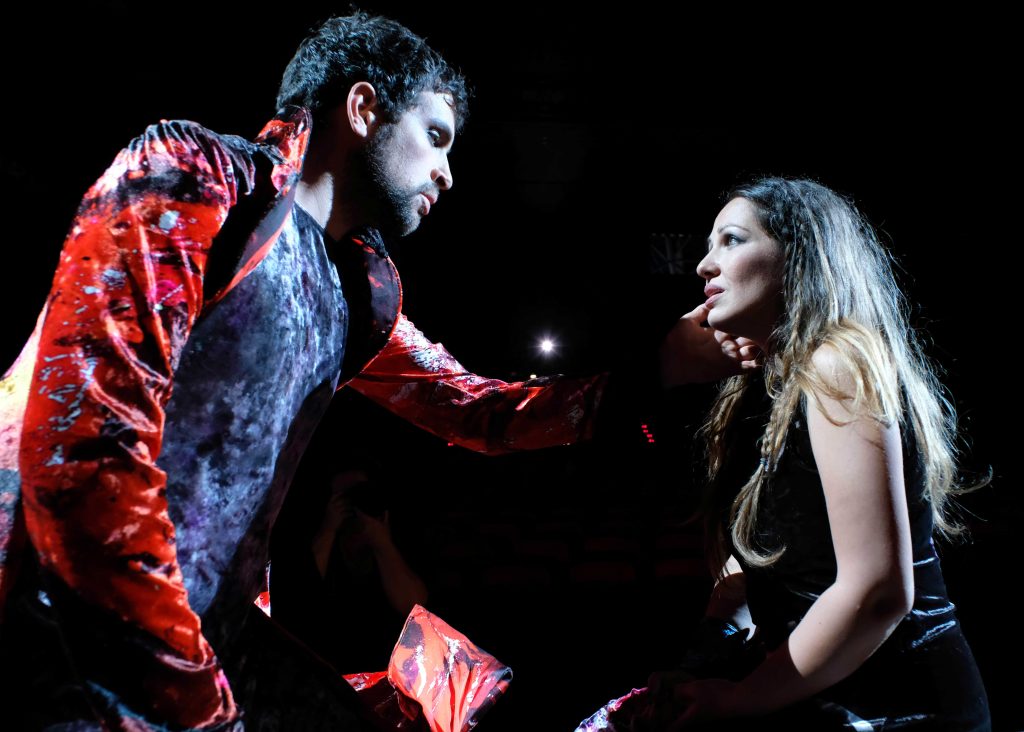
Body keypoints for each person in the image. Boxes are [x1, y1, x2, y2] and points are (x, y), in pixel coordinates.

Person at [0, 12, 744, 730]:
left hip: (207, 640)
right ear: (362, 109)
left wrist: (663, 364)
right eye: (436, 136)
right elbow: (82, 439)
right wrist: (187, 689)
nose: (448, 173)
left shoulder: (357, 293)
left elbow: (479, 413)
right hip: (57, 617)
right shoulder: (198, 175)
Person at [577, 178, 990, 731]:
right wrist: (704, 663)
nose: (703, 265)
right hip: (818, 687)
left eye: (731, 240)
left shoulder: (837, 363)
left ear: (799, 257)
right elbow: (751, 573)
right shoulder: (759, 386)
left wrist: (740, 698)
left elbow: (877, 592)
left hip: (897, 701)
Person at [270, 463, 429, 674]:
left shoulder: (394, 541)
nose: (353, 503)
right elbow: (301, 601)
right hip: (327, 667)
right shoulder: (312, 542)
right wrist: (329, 529)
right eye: (343, 496)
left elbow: (414, 607)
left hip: (385, 669)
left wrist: (381, 541)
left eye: (360, 493)